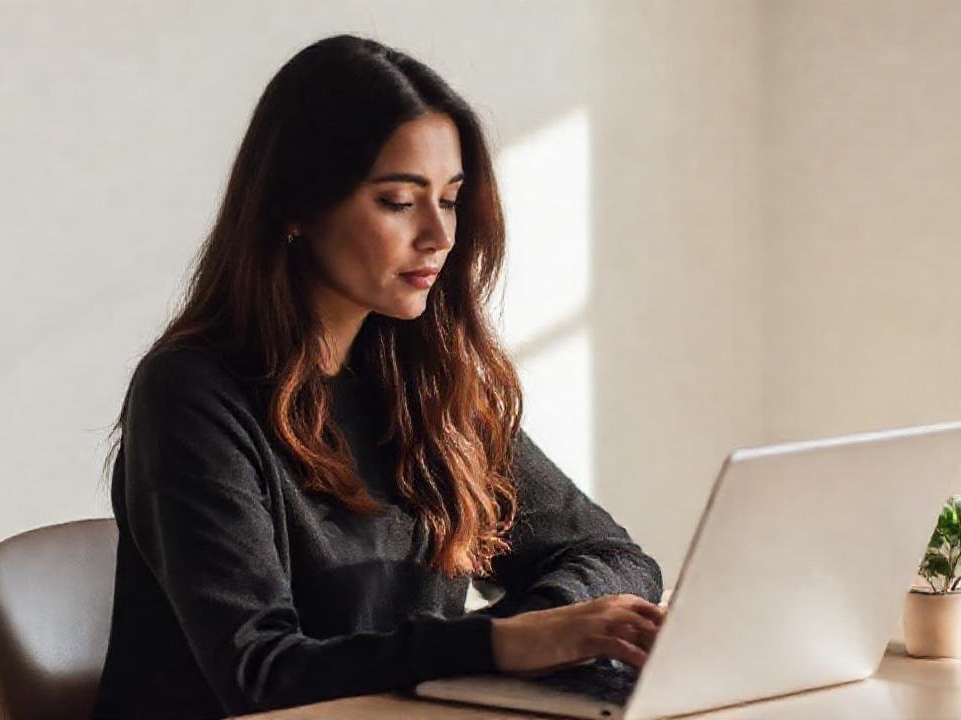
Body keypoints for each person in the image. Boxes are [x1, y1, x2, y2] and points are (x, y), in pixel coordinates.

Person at [92, 33, 664, 720]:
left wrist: (542, 632)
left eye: (450, 199)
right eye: (398, 201)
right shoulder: (190, 394)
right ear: (297, 208)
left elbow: (613, 556)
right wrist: (502, 644)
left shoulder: (427, 378)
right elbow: (260, 672)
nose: (439, 235)